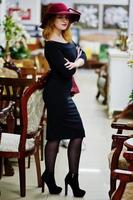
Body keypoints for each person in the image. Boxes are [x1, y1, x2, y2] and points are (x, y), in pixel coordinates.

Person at [40, 3, 86, 197]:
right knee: (73, 134)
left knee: (59, 135)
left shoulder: (65, 38)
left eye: (66, 17)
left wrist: (76, 61)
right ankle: (66, 178)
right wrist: (75, 64)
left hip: (62, 93)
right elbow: (66, 72)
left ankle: (54, 176)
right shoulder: (51, 44)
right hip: (57, 94)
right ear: (52, 20)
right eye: (60, 17)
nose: (65, 20)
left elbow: (82, 54)